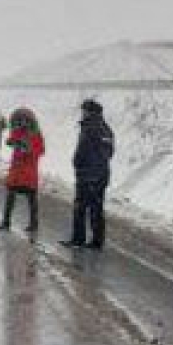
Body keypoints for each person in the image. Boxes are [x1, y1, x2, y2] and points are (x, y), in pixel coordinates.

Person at [67, 98, 115, 249]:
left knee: (80, 207)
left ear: (89, 112)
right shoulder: (107, 129)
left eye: (84, 111)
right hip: (102, 173)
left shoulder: (89, 128)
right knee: (97, 208)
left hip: (87, 174)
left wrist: (77, 162)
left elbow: (82, 150)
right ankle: (97, 241)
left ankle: (78, 240)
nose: (82, 114)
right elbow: (110, 152)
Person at [0, 107, 43, 234]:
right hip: (16, 171)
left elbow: (40, 150)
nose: (23, 122)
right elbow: (11, 140)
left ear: (30, 121)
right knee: (10, 197)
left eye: (25, 120)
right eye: (20, 120)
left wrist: (28, 149)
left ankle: (33, 224)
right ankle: (6, 222)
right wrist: (13, 142)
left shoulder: (36, 134)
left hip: (28, 171)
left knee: (31, 199)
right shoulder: (17, 132)